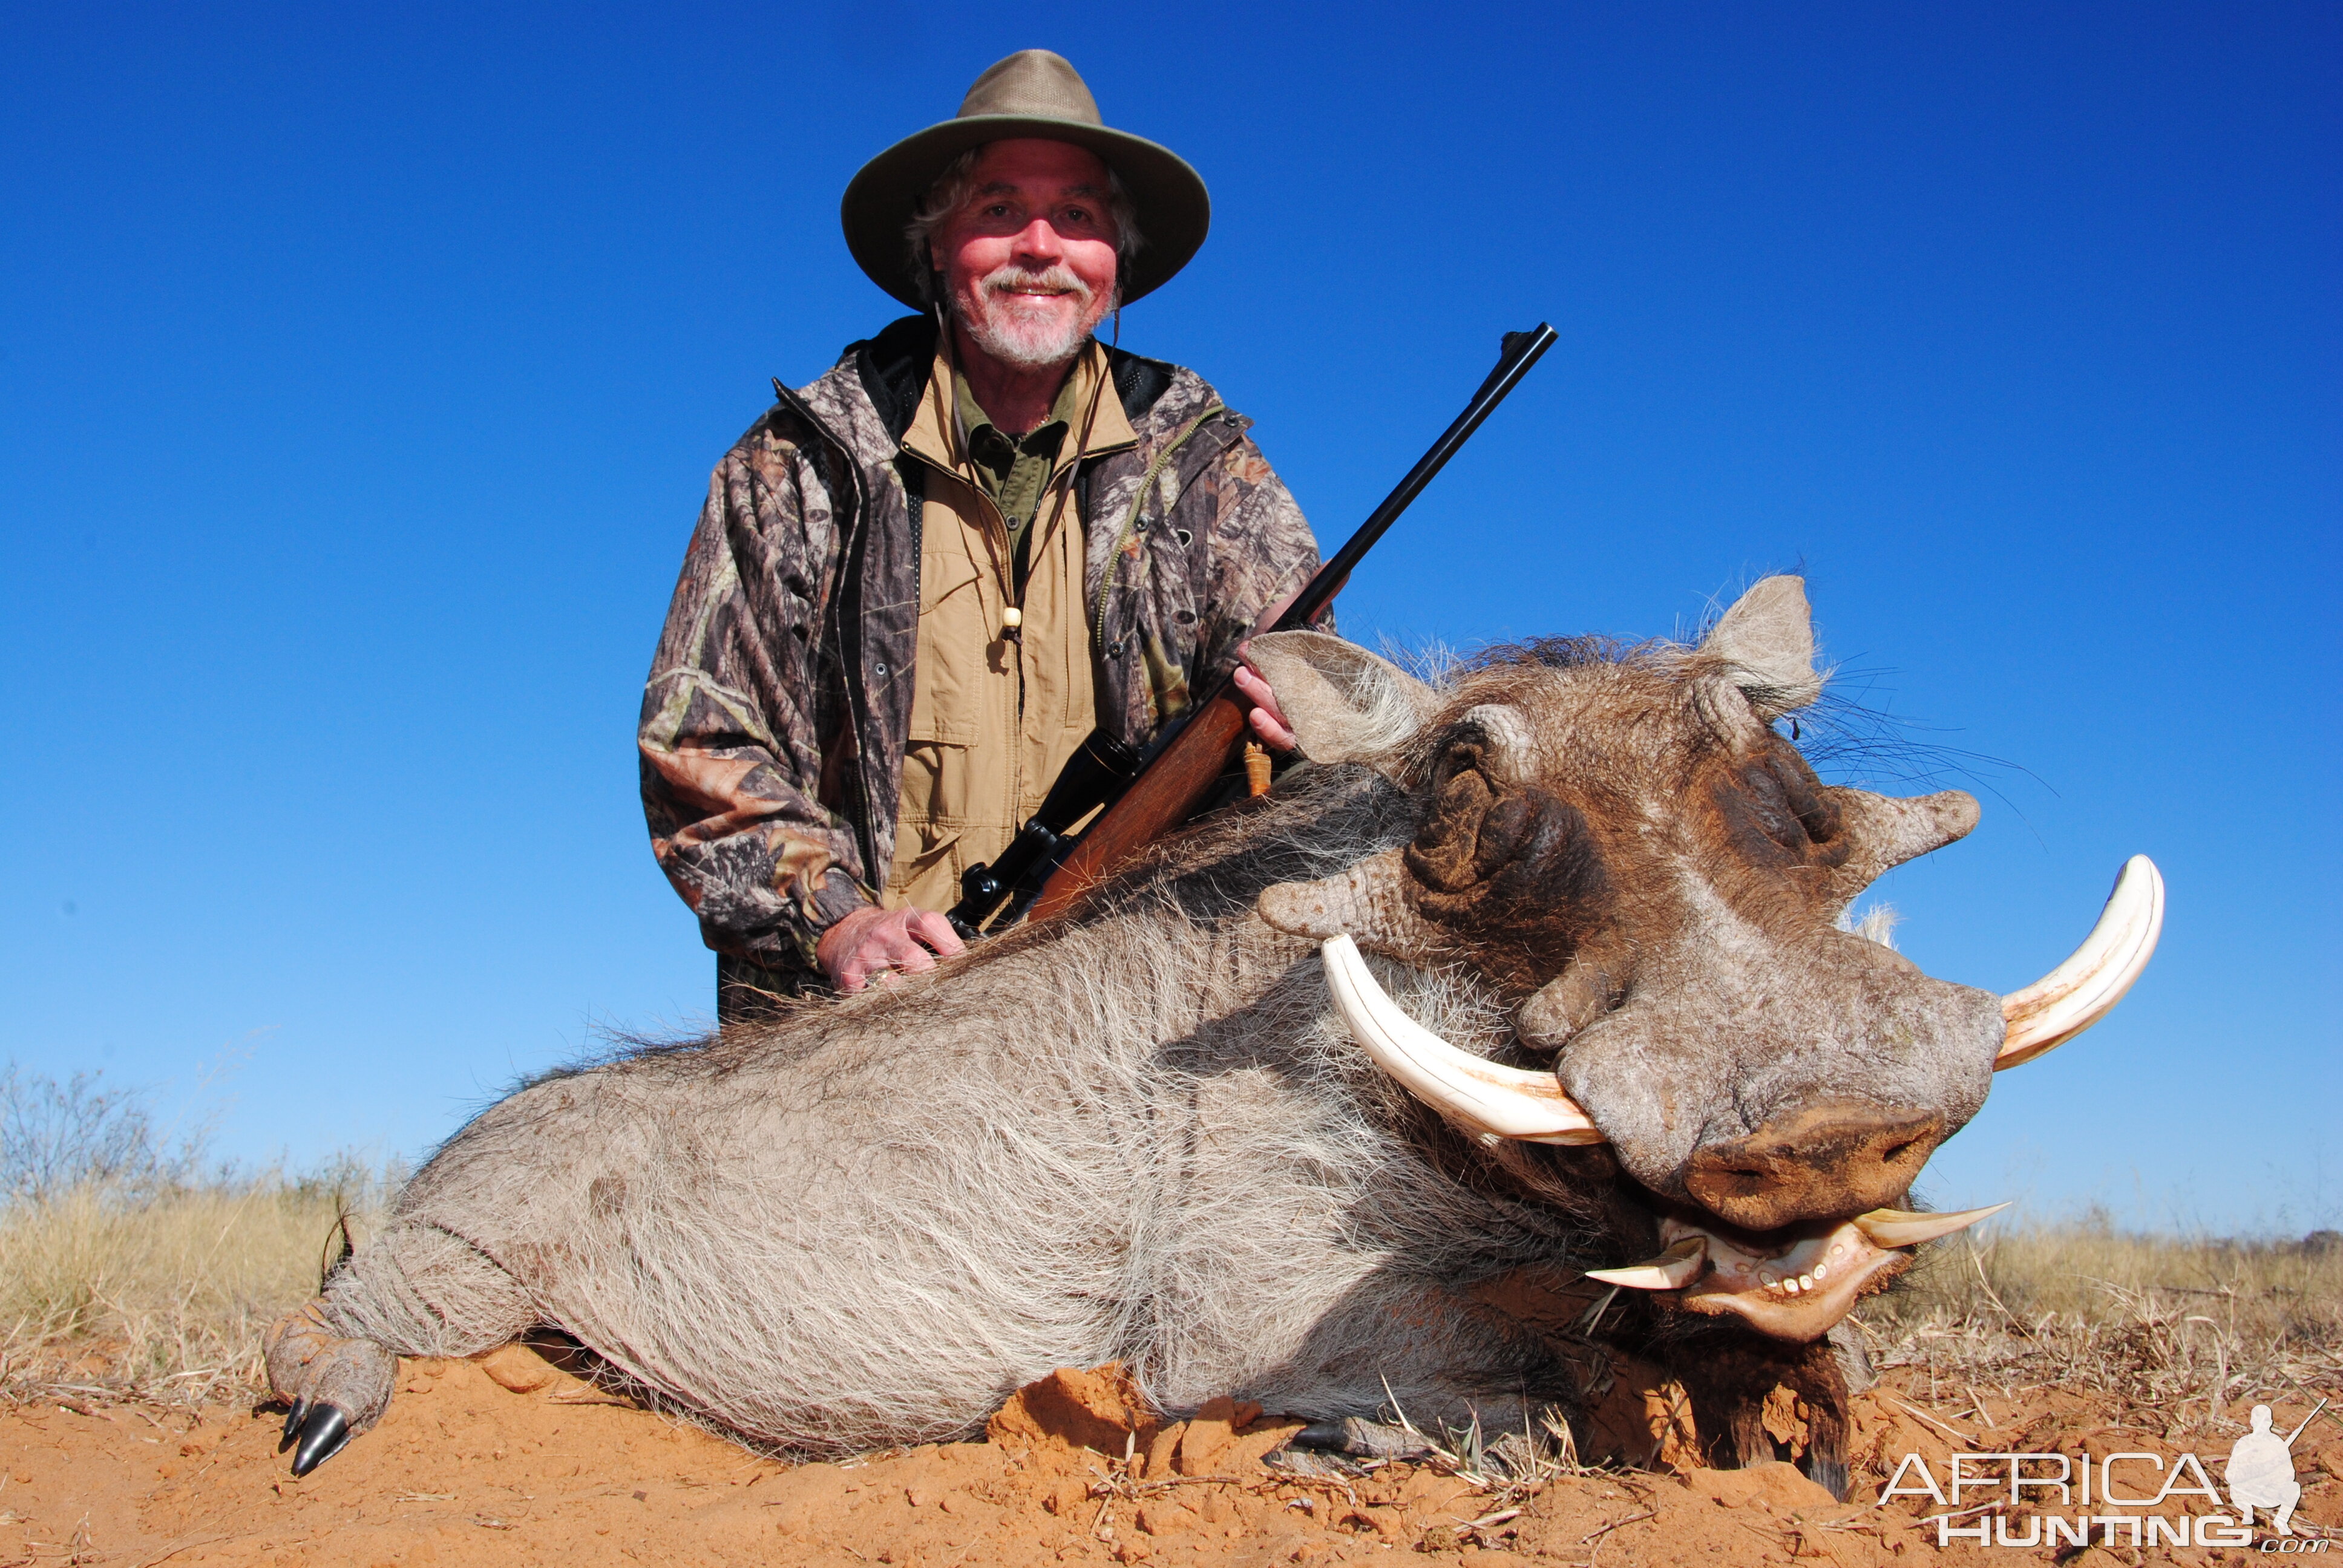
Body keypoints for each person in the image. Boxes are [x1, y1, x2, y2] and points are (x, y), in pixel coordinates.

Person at [639, 50, 1323, 1013]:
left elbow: (1311, 678)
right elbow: (697, 742)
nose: (1040, 245)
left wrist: (1308, 720)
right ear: (935, 250)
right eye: (999, 210)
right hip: (852, 1037)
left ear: (1114, 268)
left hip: (1131, 1027)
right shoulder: (792, 465)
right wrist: (837, 921)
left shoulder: (1210, 469)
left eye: (1079, 217)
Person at [2224, 1403, 2302, 1534]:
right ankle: (2247, 1517)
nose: (2262, 1424)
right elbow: (2231, 1474)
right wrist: (2258, 1471)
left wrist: (2275, 1475)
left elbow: (2290, 1473)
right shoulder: (2244, 1443)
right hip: (2247, 1491)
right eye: (2258, 1420)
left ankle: (2281, 1521)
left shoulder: (2277, 1443)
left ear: (2270, 1422)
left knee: (2294, 1488)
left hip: (2270, 1491)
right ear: (2252, 1422)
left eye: (2265, 1420)